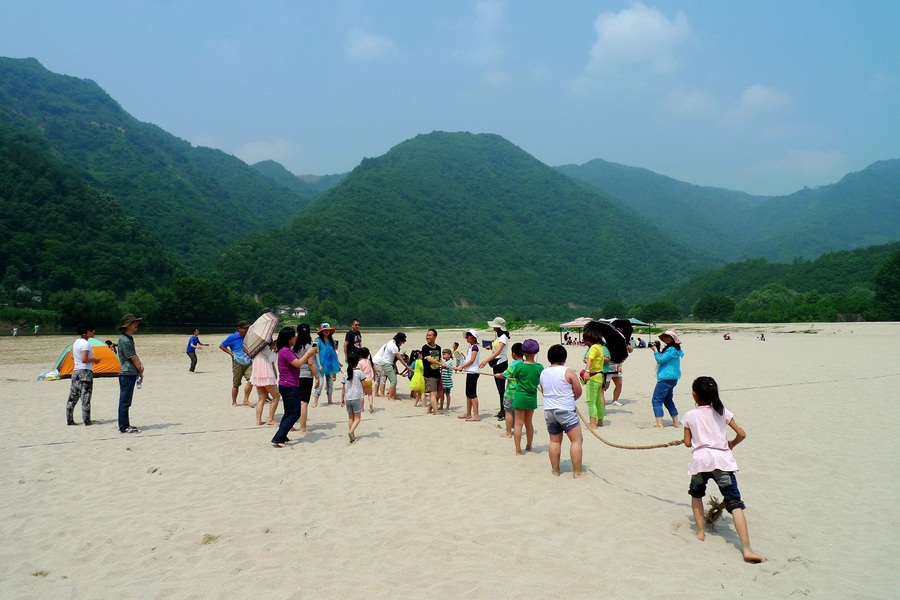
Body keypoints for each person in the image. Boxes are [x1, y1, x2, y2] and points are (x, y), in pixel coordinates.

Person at [683, 376, 764, 563]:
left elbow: (688, 443)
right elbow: (742, 434)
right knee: (735, 503)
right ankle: (747, 548)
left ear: (694, 394)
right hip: (722, 461)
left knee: (696, 494)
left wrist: (695, 437)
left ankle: (700, 532)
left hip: (700, 462)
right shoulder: (722, 412)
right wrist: (731, 444)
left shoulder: (690, 416)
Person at [540, 344, 584, 478]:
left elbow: (543, 390)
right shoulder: (568, 371)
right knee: (576, 440)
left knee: (554, 441)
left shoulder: (543, 372)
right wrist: (571, 400)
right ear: (564, 358)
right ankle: (576, 472)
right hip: (565, 409)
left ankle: (555, 471)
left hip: (549, 410)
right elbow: (578, 391)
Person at [506, 339, 542, 454]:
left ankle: (518, 449)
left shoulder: (519, 366)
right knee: (528, 423)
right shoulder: (540, 367)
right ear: (536, 352)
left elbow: (515, 377)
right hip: (531, 398)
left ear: (523, 352)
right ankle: (529, 446)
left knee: (518, 424)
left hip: (520, 396)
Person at [66, 323, 100, 426]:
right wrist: (94, 360)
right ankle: (87, 420)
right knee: (86, 397)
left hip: (76, 371)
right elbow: (84, 359)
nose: (93, 332)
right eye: (91, 330)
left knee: (73, 397)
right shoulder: (86, 344)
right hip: (85, 371)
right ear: (86, 332)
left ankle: (69, 419)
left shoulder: (76, 342)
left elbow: (73, 357)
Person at [116, 314, 144, 434]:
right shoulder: (125, 339)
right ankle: (123, 426)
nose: (136, 324)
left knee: (126, 401)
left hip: (129, 373)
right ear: (127, 325)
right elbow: (132, 357)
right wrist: (140, 368)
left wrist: (139, 369)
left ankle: (125, 424)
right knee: (125, 401)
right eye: (134, 323)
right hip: (127, 373)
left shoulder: (128, 338)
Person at [650, 329, 684, 428]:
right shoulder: (674, 349)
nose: (666, 338)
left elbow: (660, 360)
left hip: (666, 378)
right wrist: (658, 350)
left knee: (656, 400)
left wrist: (655, 351)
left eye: (668, 337)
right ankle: (676, 423)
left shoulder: (671, 350)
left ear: (673, 338)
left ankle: (660, 424)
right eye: (665, 337)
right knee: (668, 400)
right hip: (672, 378)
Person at [480, 317, 510, 421]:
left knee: (502, 389)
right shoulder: (497, 336)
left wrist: (485, 361)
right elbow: (495, 348)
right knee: (499, 389)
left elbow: (499, 352)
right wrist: (490, 347)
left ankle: (504, 411)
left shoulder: (503, 337)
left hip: (501, 363)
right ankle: (502, 410)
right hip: (496, 364)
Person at [292, 324, 320, 433]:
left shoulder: (293, 345)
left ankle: (290, 425)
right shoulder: (310, 346)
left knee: (294, 401)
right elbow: (311, 363)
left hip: (294, 375)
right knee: (304, 403)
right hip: (306, 375)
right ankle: (303, 428)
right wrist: (317, 377)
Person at [219, 321, 253, 407]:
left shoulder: (248, 337)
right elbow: (222, 346)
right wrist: (231, 353)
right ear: (239, 328)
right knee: (236, 384)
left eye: (247, 328)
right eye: (244, 328)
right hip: (237, 362)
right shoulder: (232, 337)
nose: (246, 330)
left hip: (248, 362)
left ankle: (246, 400)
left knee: (251, 380)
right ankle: (234, 401)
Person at [495, 342, 524, 439]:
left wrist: (499, 375)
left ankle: (508, 432)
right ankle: (515, 429)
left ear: (514, 354)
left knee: (508, 412)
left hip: (511, 394)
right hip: (520, 394)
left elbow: (505, 374)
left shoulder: (514, 364)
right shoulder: (524, 364)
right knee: (517, 413)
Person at [373, 332, 411, 402]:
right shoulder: (394, 347)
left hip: (380, 361)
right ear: (399, 340)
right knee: (386, 379)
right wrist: (408, 367)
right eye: (402, 341)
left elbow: (395, 360)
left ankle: (391, 394)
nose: (402, 343)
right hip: (382, 362)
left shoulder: (390, 342)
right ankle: (386, 395)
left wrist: (397, 371)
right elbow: (399, 359)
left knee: (381, 378)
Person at [582, 328, 607, 429]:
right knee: (598, 401)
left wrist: (587, 371)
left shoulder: (593, 348)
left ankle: (592, 424)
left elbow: (591, 359)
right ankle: (600, 421)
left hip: (593, 375)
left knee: (591, 400)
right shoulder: (600, 347)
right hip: (600, 375)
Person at [251, 340, 281, 426]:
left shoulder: (254, 348)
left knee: (261, 398)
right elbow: (272, 358)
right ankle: (270, 419)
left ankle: (258, 420)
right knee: (276, 396)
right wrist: (274, 349)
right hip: (265, 373)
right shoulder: (264, 348)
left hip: (257, 374)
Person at [453, 329, 481, 421]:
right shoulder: (470, 347)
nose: (466, 338)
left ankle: (476, 415)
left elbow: (472, 360)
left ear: (473, 337)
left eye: (468, 336)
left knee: (473, 394)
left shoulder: (475, 347)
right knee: (468, 393)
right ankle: (468, 413)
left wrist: (461, 367)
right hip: (469, 372)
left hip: (474, 372)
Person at [313, 323, 341, 406]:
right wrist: (319, 365)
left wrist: (338, 363)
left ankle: (330, 400)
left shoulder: (333, 341)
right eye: (324, 330)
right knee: (320, 384)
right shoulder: (317, 340)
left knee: (330, 383)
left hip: (331, 364)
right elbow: (315, 352)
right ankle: (315, 402)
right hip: (320, 364)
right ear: (321, 331)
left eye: (328, 330)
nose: (326, 332)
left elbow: (335, 353)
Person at [341, 354, 367, 443]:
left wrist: (342, 399)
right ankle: (351, 432)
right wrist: (365, 391)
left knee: (350, 418)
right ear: (357, 363)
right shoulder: (359, 373)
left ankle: (352, 435)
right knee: (357, 418)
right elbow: (364, 384)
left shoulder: (345, 373)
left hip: (348, 398)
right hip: (356, 397)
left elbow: (343, 388)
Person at [421, 328, 443, 415]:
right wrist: (441, 364)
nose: (428, 337)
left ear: (435, 336)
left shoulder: (438, 348)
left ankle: (429, 409)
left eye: (430, 335)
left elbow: (439, 359)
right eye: (427, 335)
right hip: (429, 375)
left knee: (439, 394)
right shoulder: (425, 348)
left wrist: (444, 364)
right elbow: (430, 359)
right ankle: (436, 412)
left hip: (437, 373)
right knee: (433, 394)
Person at [607, 330, 632, 406]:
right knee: (605, 386)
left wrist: (628, 348)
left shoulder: (622, 343)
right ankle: (598, 399)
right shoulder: (607, 343)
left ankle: (615, 400)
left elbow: (629, 350)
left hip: (618, 366)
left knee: (619, 384)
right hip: (608, 366)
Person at [357, 347, 375, 414]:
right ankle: (370, 404)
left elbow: (359, 372)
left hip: (363, 380)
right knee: (370, 394)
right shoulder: (369, 361)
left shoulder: (360, 362)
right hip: (369, 379)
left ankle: (362, 408)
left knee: (361, 395)